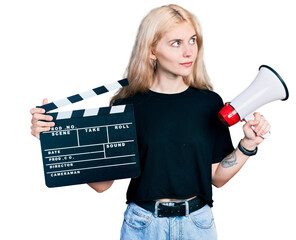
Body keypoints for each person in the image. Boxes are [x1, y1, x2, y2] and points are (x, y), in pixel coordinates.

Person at [30, 4, 270, 240]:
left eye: (192, 40)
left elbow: (216, 177)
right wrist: (55, 140)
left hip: (198, 224)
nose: (189, 52)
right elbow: (102, 184)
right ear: (152, 50)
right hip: (143, 224)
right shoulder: (127, 106)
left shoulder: (209, 103)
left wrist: (248, 145)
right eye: (176, 43)